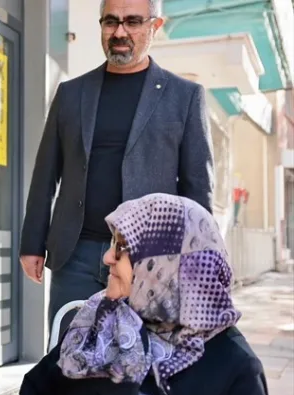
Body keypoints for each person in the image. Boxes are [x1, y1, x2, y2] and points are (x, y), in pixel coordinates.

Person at [20, 0, 215, 335]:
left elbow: (197, 188)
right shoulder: (71, 93)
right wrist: (32, 243)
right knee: (68, 359)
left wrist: (196, 263)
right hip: (76, 255)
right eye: (110, 22)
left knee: (143, 364)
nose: (119, 32)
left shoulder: (185, 97)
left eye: (132, 22)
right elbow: (45, 172)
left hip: (151, 260)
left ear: (155, 26)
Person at [10, 193, 270, 395]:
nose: (108, 257)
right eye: (113, 244)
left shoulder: (234, 368)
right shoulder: (97, 320)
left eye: (122, 247)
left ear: (165, 268)